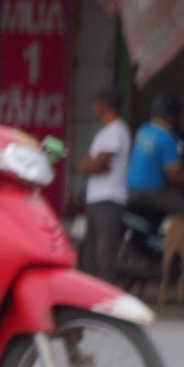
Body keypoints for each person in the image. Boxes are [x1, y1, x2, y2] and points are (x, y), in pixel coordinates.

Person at [78, 90, 131, 282]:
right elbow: (85, 165)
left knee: (104, 256)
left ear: (103, 104)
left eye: (95, 103)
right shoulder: (104, 133)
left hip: (109, 199)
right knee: (90, 256)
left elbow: (95, 164)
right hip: (96, 198)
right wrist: (94, 165)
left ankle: (106, 302)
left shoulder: (116, 130)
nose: (93, 108)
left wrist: (95, 164)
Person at [126, 93, 184, 224]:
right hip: (150, 194)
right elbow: (174, 176)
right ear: (173, 116)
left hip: (129, 190)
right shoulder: (167, 137)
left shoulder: (143, 129)